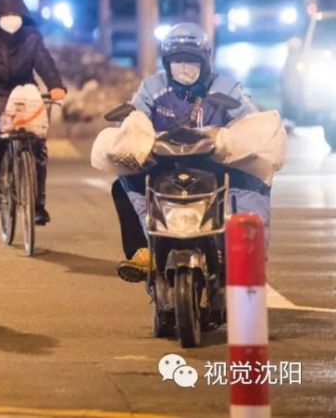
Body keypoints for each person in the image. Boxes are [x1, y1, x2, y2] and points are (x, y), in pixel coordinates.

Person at [112, 22, 268, 282]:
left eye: (191, 60)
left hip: (213, 165)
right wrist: (132, 132)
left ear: (205, 60)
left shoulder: (227, 88)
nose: (184, 66)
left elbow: (250, 119)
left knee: (250, 182)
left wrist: (236, 137)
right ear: (167, 62)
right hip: (164, 164)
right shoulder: (152, 88)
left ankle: (239, 251)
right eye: (177, 60)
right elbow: (135, 116)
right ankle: (143, 251)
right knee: (121, 183)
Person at [0, 0, 66, 225]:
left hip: (26, 93)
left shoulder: (32, 36)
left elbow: (44, 61)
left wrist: (55, 86)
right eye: (6, 13)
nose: (11, 17)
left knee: (38, 145)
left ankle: (38, 206)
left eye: (15, 13)